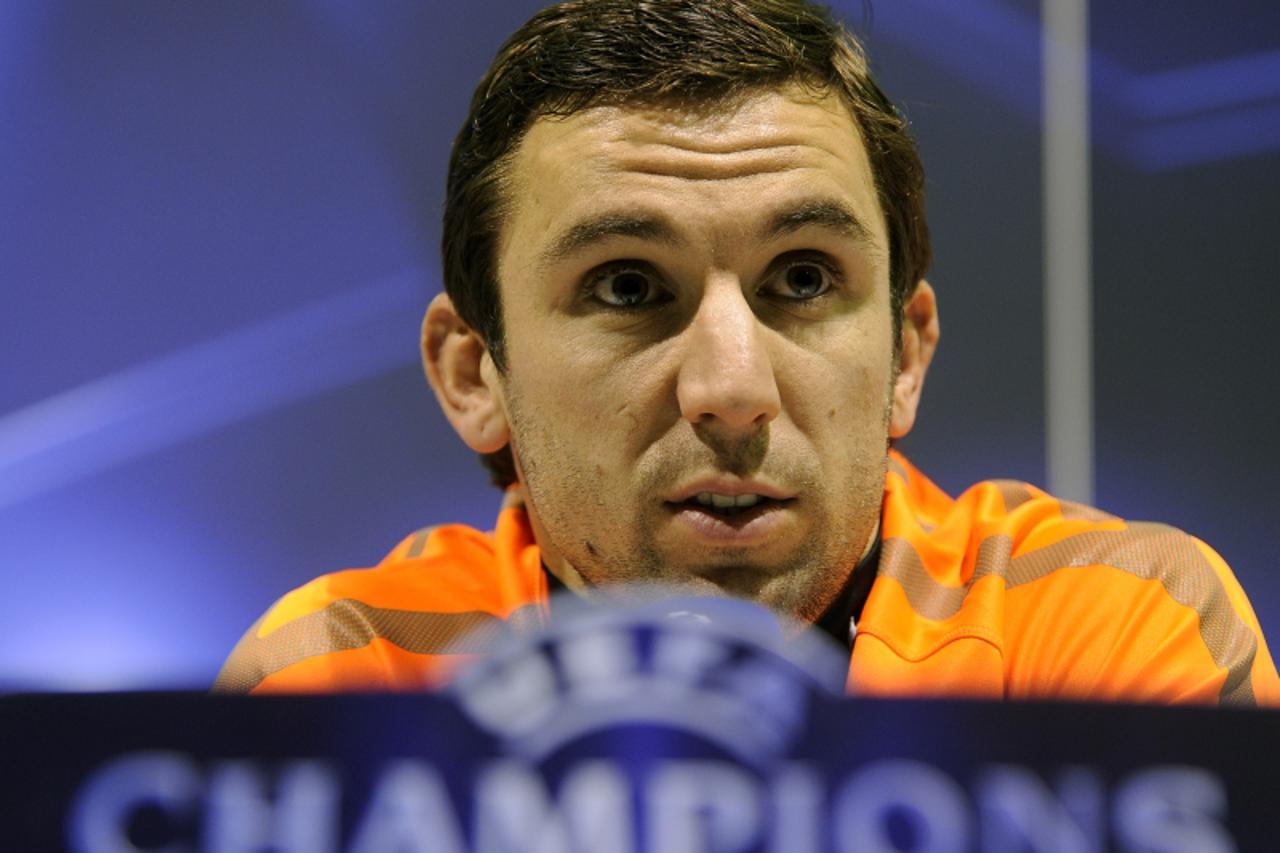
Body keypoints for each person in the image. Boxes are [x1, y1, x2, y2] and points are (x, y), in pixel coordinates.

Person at [215, 0, 1278, 705]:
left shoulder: (1110, 630)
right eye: (627, 287)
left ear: (904, 356)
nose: (731, 390)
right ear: (469, 373)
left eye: (802, 278)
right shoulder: (352, 681)